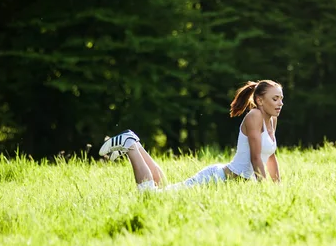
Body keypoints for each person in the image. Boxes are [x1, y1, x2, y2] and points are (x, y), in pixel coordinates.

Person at [98, 80, 284, 192]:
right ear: (259, 100)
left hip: (223, 183)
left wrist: (278, 188)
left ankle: (135, 144)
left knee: (161, 189)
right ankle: (130, 144)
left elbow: (270, 157)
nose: (280, 103)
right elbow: (255, 158)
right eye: (275, 99)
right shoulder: (255, 116)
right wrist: (264, 189)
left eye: (281, 99)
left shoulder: (271, 120)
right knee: (150, 196)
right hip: (215, 180)